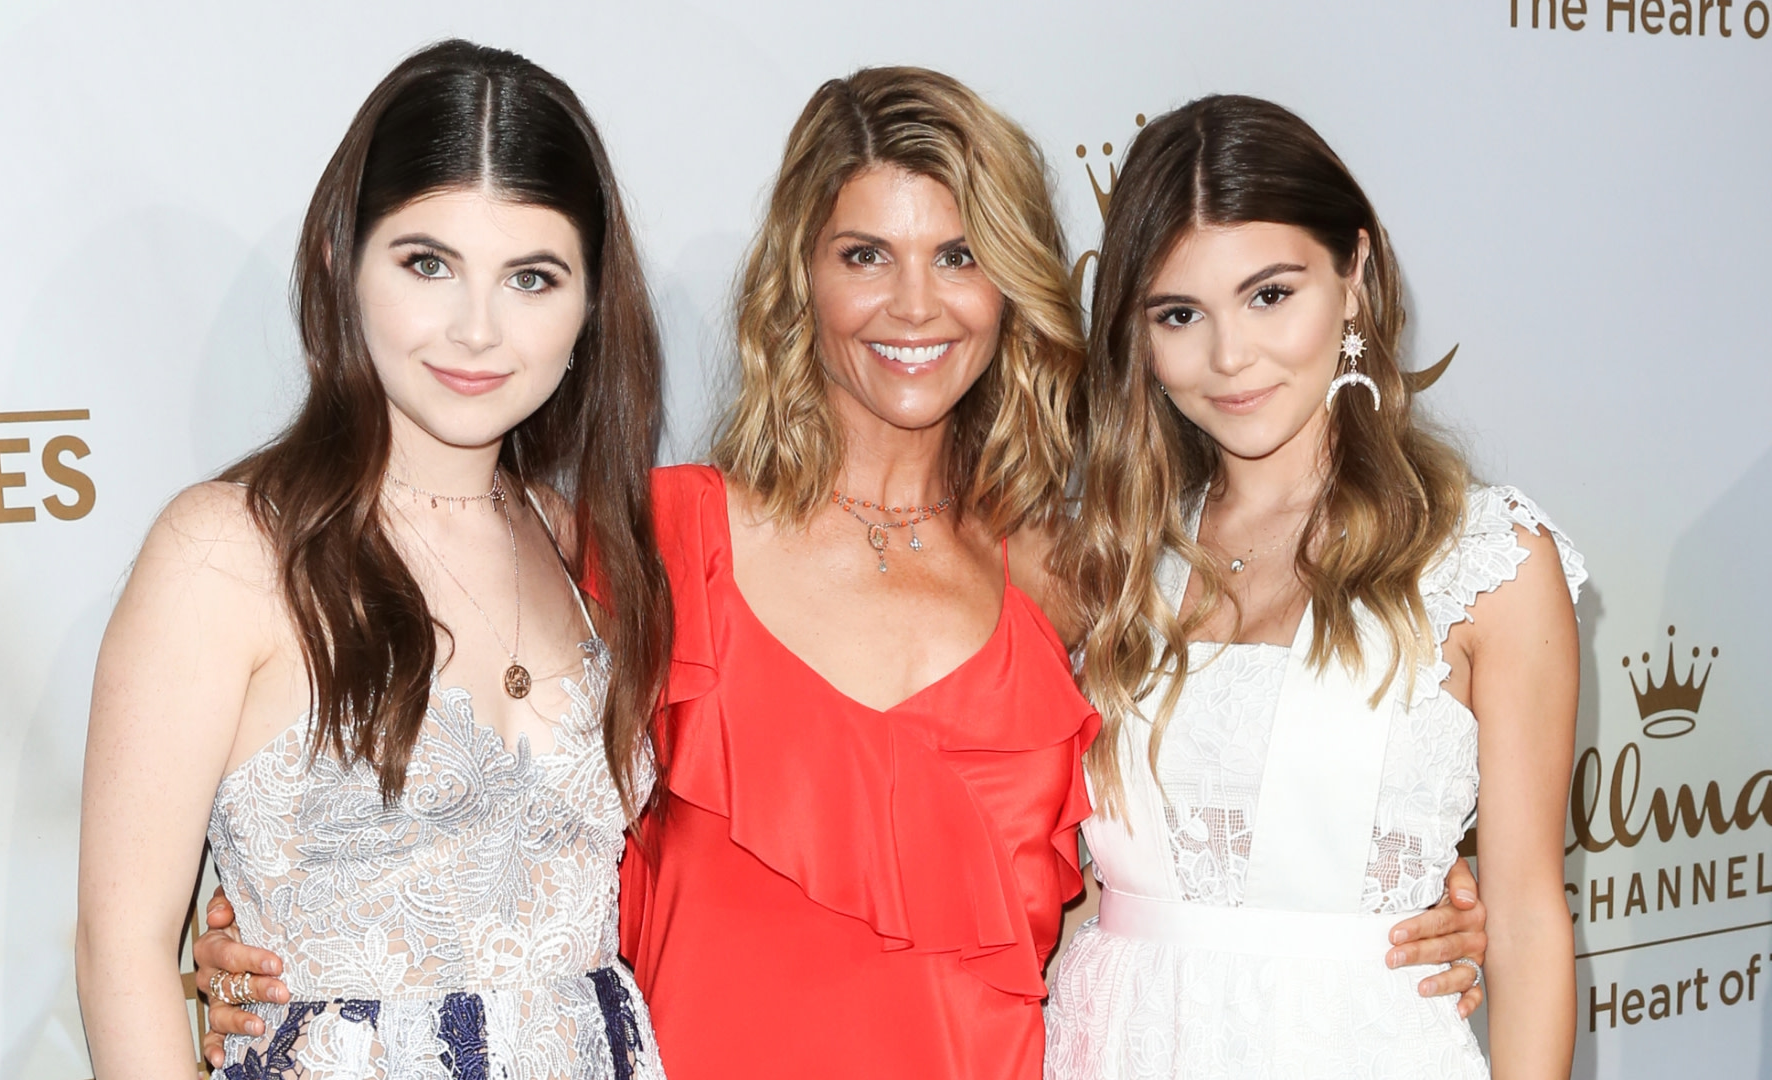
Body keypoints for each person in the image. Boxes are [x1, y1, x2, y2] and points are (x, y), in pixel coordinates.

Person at [195, 69, 1492, 1079]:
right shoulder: (651, 543)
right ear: (798, 281)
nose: (913, 305)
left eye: (960, 255)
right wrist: (262, 933)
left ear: (1013, 291)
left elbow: (1217, 813)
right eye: (865, 253)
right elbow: (453, 796)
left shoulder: (1078, 572)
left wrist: (1414, 900)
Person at [75, 41, 672, 1080]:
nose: (477, 329)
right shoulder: (228, 551)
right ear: (343, 262)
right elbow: (121, 952)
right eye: (427, 263)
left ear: (590, 306)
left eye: (532, 277)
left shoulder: (589, 543)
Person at [1042, 94, 1582, 1079]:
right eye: (1179, 314)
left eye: (1270, 295)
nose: (1229, 357)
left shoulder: (1486, 560)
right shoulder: (1105, 557)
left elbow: (1530, 923)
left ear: (1356, 275)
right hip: (1106, 1045)